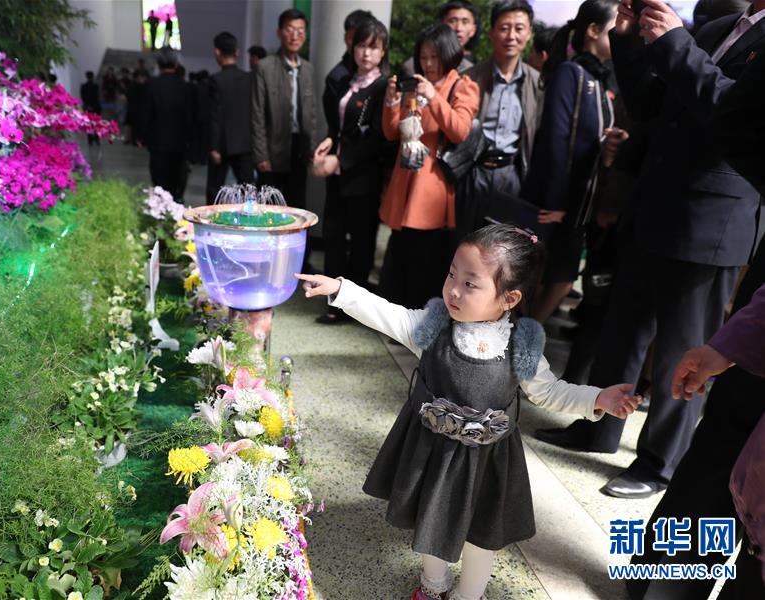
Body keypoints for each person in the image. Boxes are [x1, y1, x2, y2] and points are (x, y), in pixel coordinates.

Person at [296, 223, 642, 600]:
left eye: (470, 284)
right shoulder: (433, 327)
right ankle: (433, 585)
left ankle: (469, 595)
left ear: (509, 299)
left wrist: (597, 399)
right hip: (431, 451)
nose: (453, 290)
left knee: (482, 536)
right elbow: (387, 314)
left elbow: (550, 392)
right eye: (451, 275)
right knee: (430, 520)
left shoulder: (519, 345)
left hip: (489, 460)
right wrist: (341, 290)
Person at [535, 0, 765, 501]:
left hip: (713, 217)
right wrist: (629, 39)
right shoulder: (718, 27)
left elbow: (738, 115)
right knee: (622, 331)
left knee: (684, 351)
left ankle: (660, 462)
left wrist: (678, 43)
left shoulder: (712, 35)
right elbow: (650, 105)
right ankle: (598, 425)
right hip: (655, 203)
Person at [522, 0, 623, 323]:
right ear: (593, 31)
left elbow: (590, 143)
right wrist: (556, 204)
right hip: (556, 205)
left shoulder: (604, 82)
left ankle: (524, 344)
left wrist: (609, 147)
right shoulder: (571, 73)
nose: (621, 36)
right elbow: (555, 141)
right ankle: (509, 348)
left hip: (578, 207)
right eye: (615, 29)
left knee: (561, 281)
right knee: (534, 280)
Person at [378, 24, 479, 310]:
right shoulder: (416, 84)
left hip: (432, 187)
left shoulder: (463, 86)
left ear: (449, 55)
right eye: (424, 57)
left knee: (424, 261)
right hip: (405, 181)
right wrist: (392, 100)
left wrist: (434, 98)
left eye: (435, 57)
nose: (429, 63)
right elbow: (391, 132)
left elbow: (460, 130)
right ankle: (396, 318)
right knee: (398, 255)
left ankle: (418, 320)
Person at [311, 17, 390, 324]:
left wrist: (340, 161)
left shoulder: (384, 86)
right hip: (339, 175)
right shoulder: (346, 80)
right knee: (332, 236)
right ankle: (333, 300)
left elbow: (379, 139)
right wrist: (329, 142)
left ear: (383, 52)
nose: (366, 53)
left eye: (373, 47)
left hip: (363, 176)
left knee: (360, 242)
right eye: (361, 45)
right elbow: (342, 127)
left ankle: (355, 307)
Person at [459, 0, 542, 236]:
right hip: (473, 172)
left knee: (501, 250)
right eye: (504, 28)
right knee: (465, 241)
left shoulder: (537, 83)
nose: (511, 35)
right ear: (492, 32)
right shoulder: (470, 77)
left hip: (512, 174)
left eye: (519, 28)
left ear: (529, 33)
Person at [250, 8, 319, 270]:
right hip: (272, 151)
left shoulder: (308, 69)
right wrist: (260, 155)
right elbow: (256, 114)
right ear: (280, 33)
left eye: (300, 30)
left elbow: (311, 114)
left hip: (299, 151)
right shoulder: (265, 67)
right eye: (290, 30)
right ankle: (267, 261)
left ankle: (295, 263)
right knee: (271, 208)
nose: (295, 35)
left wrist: (312, 150)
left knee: (297, 207)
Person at [138, 47, 194, 200]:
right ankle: (177, 213)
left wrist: (142, 137)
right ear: (176, 64)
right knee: (178, 183)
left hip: (158, 144)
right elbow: (191, 118)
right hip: (180, 145)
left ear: (158, 63)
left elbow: (145, 114)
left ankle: (162, 215)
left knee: (160, 185)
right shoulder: (187, 88)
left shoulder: (151, 85)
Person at [207, 31, 255, 203]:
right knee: (248, 190)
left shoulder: (216, 80)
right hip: (245, 144)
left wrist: (213, 146)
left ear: (217, 52)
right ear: (237, 52)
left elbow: (215, 115)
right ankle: (248, 225)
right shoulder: (249, 79)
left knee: (215, 191)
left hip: (222, 145)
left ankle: (212, 226)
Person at [323, 9, 374, 140]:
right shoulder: (336, 78)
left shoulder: (382, 76)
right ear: (345, 39)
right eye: (353, 38)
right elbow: (335, 124)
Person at [402, 1, 480, 77]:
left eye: (465, 22)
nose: (458, 28)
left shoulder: (477, 72)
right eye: (452, 21)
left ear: (473, 30)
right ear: (441, 24)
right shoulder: (412, 68)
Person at [79, 71, 101, 147]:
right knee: (96, 123)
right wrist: (93, 106)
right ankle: (97, 139)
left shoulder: (83, 86)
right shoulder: (96, 86)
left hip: (87, 107)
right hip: (95, 107)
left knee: (89, 124)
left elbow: (83, 97)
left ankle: (90, 140)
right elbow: (96, 97)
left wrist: (88, 105)